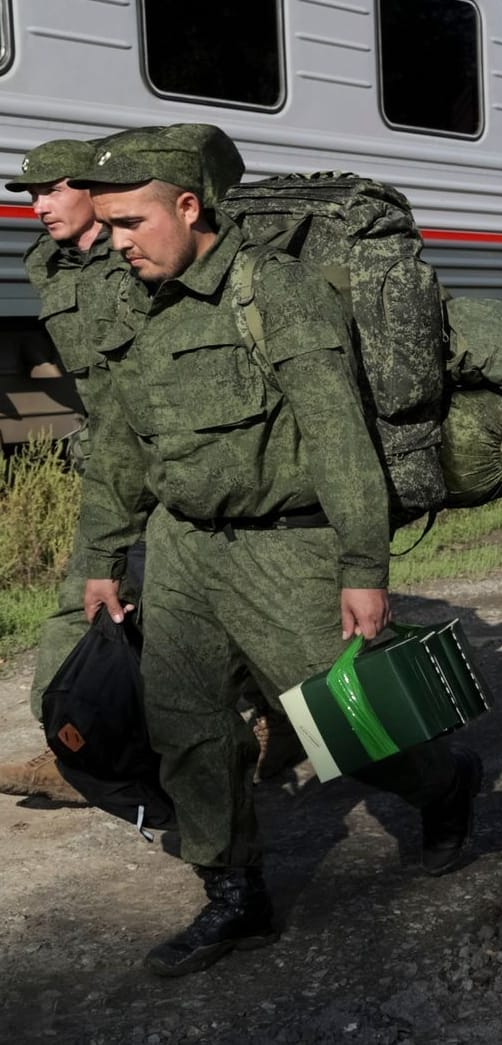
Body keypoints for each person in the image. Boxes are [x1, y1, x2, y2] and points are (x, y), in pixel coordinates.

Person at [70, 125, 482, 977]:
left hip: (285, 550)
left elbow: (338, 438)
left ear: (188, 207)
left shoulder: (275, 289)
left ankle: (444, 783)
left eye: (131, 222)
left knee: (353, 723)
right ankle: (236, 897)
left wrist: (364, 567)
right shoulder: (133, 303)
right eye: (106, 226)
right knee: (189, 731)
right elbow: (116, 442)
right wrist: (102, 555)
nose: (117, 243)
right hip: (180, 550)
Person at [0, 139, 146, 805]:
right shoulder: (49, 266)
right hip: (114, 458)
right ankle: (67, 742)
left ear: (92, 187)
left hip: (174, 453)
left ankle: (279, 721)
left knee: (220, 608)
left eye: (51, 190)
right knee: (78, 602)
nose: (39, 207)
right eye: (29, 195)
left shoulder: (142, 252)